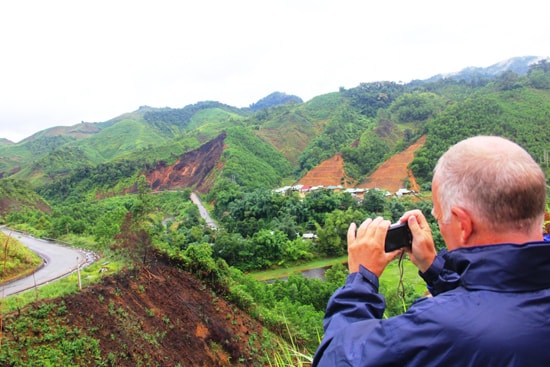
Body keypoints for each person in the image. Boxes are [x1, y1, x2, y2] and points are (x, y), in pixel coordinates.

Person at [312, 136, 550, 366]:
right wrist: (434, 268)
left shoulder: (438, 328)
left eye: (439, 217)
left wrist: (360, 281)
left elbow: (335, 358)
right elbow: (495, 300)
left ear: (463, 225)